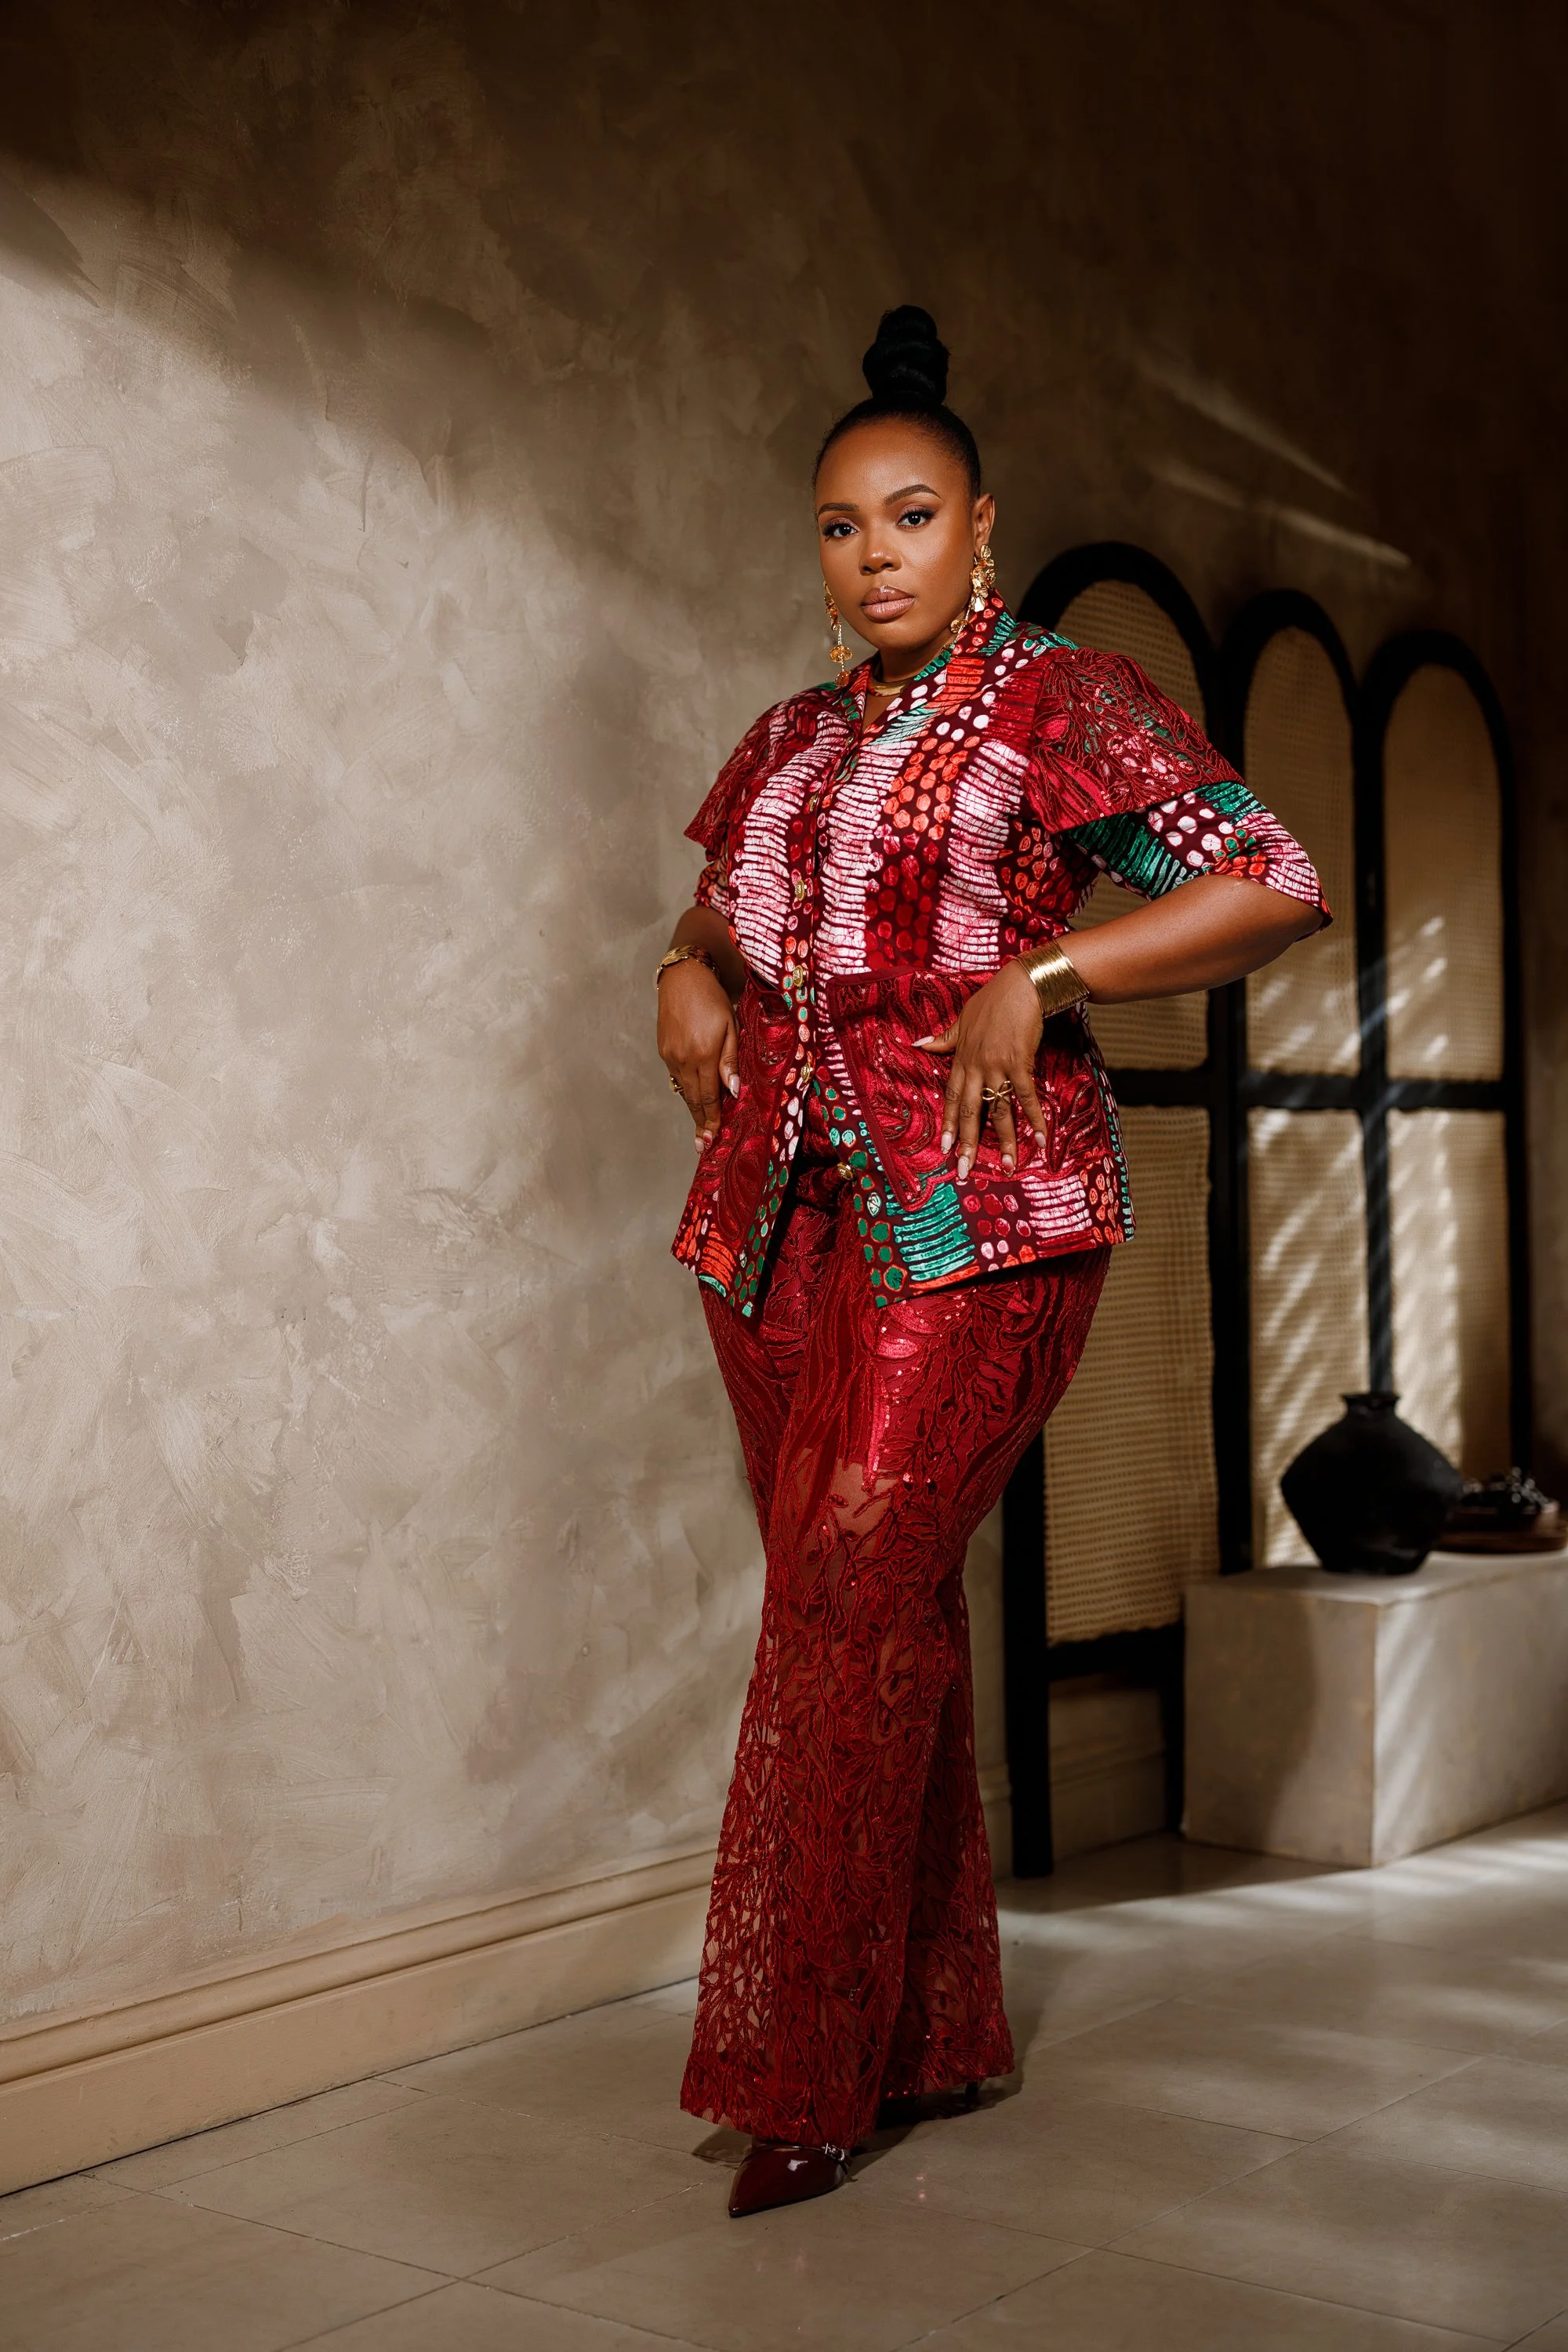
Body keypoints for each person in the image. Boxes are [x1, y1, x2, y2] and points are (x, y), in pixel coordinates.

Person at [655, 307, 1326, 2219]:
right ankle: (929, 2031)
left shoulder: (1061, 699)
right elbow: (709, 917)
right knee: (871, 1621)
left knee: (844, 1604)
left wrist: (1046, 969)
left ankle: (802, 2075)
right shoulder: (788, 736)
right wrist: (677, 975)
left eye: (910, 515)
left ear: (980, 527)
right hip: (766, 1227)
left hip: (982, 1212)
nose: (872, 553)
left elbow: (1268, 878)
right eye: (839, 525)